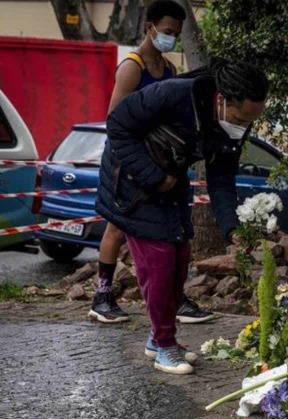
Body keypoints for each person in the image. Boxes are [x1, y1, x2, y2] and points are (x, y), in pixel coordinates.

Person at [95, 58, 268, 374]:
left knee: (179, 257)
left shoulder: (234, 122)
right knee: (158, 261)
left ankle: (158, 338)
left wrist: (232, 229)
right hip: (131, 180)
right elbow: (117, 125)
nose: (243, 127)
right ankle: (163, 345)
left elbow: (222, 178)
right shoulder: (173, 94)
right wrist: (152, 177)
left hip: (169, 179)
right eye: (240, 117)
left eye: (250, 121)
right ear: (221, 98)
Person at [89, 0, 212, 325]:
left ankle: (176, 297)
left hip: (160, 162)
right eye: (167, 31)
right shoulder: (132, 67)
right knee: (118, 224)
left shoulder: (169, 70)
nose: (170, 37)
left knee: (171, 226)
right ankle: (102, 295)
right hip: (127, 161)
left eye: (175, 33)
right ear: (150, 28)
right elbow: (115, 120)